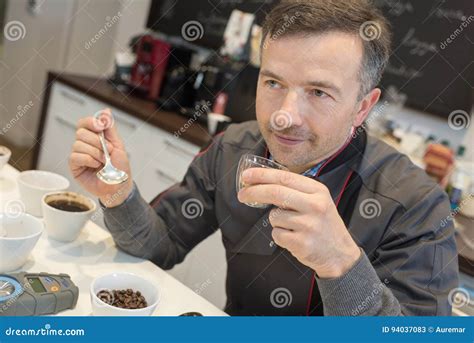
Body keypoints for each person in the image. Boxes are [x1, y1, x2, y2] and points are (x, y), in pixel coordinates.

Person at [69, 0, 458, 316]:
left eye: (318, 92)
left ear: (362, 107)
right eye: (274, 83)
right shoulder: (232, 148)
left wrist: (341, 263)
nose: (283, 116)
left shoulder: (416, 205)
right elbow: (159, 245)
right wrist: (118, 190)